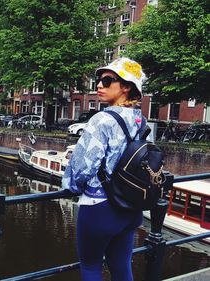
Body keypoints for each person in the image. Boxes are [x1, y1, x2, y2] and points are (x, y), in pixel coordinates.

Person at [62, 57, 147, 281]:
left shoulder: (102, 119)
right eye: (99, 80)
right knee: (121, 266)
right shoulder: (140, 119)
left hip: (100, 207)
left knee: (90, 267)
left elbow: (83, 166)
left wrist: (71, 186)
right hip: (130, 206)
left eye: (108, 81)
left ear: (126, 87)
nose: (99, 85)